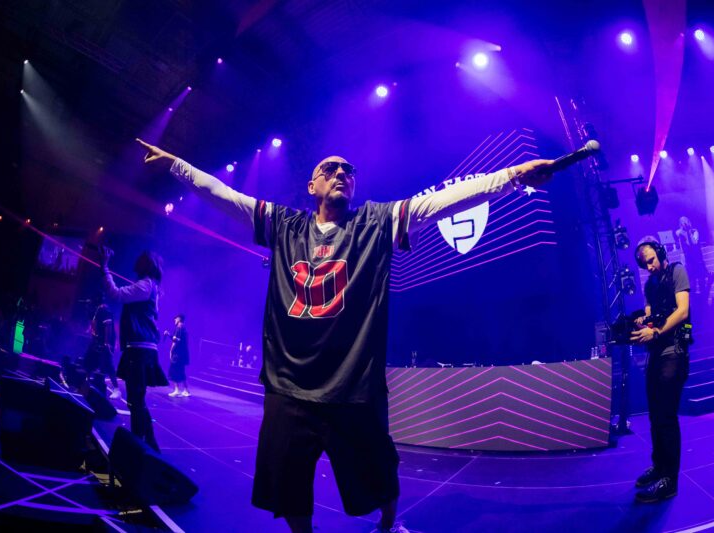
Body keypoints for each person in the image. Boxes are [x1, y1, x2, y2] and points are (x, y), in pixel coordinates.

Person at [136, 137, 556, 533]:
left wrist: (513, 175)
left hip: (353, 383)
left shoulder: (376, 221)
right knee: (288, 482)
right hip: (289, 384)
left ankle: (388, 525)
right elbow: (224, 195)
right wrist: (176, 165)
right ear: (312, 186)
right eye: (330, 168)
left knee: (379, 474)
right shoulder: (284, 225)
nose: (341, 173)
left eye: (348, 170)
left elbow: (444, 201)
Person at [631, 241, 691, 503]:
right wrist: (643, 323)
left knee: (666, 415)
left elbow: (683, 311)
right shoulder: (649, 285)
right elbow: (649, 314)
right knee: (655, 415)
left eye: (651, 260)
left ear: (661, 254)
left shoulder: (677, 271)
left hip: (674, 351)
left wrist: (655, 331)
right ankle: (659, 467)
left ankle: (669, 480)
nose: (649, 266)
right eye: (644, 264)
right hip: (656, 353)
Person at [101, 247, 168, 452]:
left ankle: (139, 445)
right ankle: (149, 444)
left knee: (135, 400)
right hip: (143, 348)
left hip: (140, 349)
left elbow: (116, 294)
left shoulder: (146, 284)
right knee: (137, 399)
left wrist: (105, 267)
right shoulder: (151, 285)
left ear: (144, 264)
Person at [82, 301, 121, 399]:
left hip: (105, 341)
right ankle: (86, 384)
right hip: (97, 340)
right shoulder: (94, 312)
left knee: (108, 364)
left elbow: (108, 326)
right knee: (89, 361)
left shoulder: (103, 309)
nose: (87, 306)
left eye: (88, 304)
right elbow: (94, 324)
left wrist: (107, 343)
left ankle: (116, 389)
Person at [165, 314, 190, 397]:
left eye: (175, 318)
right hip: (183, 353)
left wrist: (169, 335)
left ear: (179, 319)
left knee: (174, 371)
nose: (174, 320)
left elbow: (176, 340)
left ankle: (177, 390)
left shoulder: (179, 327)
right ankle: (186, 390)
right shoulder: (184, 328)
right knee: (181, 371)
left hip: (177, 354)